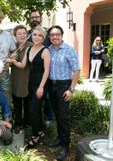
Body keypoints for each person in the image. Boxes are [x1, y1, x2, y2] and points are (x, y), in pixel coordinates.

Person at [7, 26, 50, 148]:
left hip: (40, 82)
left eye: (40, 35)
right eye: (35, 35)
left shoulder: (45, 51)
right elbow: (22, 65)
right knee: (36, 110)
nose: (37, 37)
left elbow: (47, 71)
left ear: (43, 37)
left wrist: (41, 87)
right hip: (30, 82)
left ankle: (35, 135)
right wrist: (12, 61)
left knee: (32, 111)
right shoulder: (29, 48)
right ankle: (40, 132)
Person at [48, 25, 80, 160]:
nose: (55, 37)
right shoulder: (48, 50)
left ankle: (65, 145)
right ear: (49, 37)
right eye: (52, 35)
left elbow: (77, 70)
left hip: (64, 86)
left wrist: (71, 89)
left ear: (61, 35)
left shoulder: (69, 49)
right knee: (56, 114)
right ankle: (60, 138)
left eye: (57, 34)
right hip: (51, 85)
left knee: (64, 117)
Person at [27, 8, 53, 125]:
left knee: (46, 97)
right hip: (32, 72)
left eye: (36, 17)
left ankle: (48, 118)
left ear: (41, 18)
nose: (34, 19)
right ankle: (38, 123)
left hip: (46, 70)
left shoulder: (47, 33)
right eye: (32, 17)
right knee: (34, 100)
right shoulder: (28, 34)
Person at [10, 25, 32, 133]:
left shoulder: (31, 46)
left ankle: (27, 123)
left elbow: (25, 64)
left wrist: (13, 61)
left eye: (24, 33)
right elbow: (8, 63)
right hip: (16, 79)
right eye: (19, 33)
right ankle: (18, 123)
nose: (22, 35)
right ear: (15, 36)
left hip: (27, 78)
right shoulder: (12, 47)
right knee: (17, 103)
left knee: (28, 103)